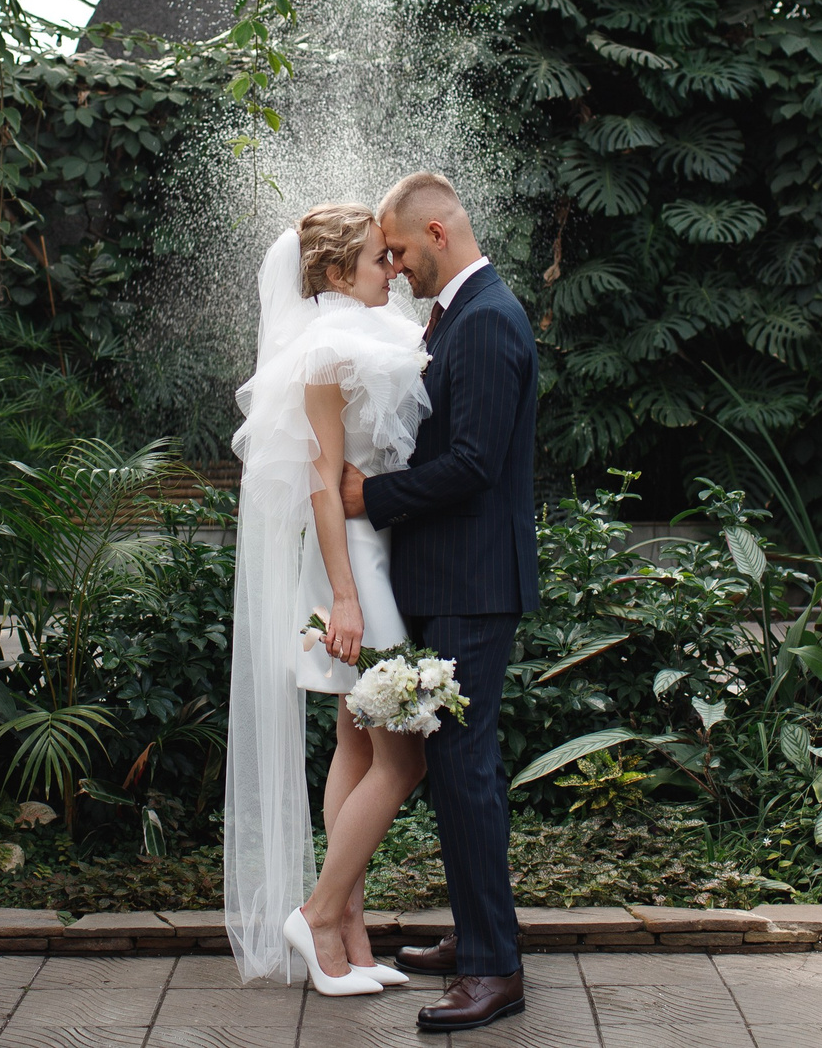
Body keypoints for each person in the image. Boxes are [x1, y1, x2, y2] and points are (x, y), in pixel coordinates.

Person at [338, 172, 539, 1033]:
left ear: (436, 230)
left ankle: (496, 967)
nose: (394, 263)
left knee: (466, 772)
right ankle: (477, 938)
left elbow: (474, 465)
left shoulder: (489, 319)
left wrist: (368, 499)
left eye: (399, 250)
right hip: (449, 581)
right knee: (457, 773)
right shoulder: (459, 312)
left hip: (474, 586)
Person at [225, 203, 433, 997]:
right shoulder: (326, 352)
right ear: (339, 273)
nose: (394, 270)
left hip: (377, 553)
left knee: (355, 740)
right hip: (355, 569)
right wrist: (343, 598)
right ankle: (316, 916)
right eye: (380, 260)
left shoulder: (382, 336)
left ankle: (349, 930)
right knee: (400, 753)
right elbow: (322, 485)